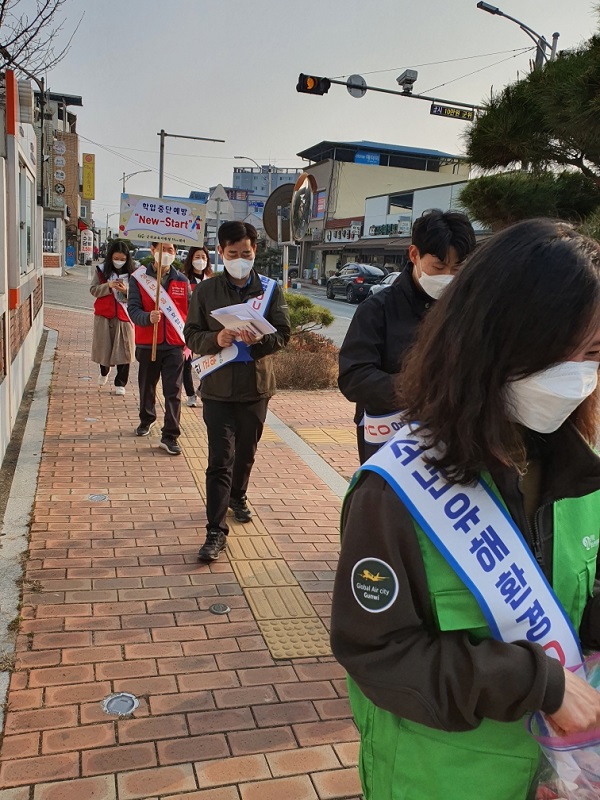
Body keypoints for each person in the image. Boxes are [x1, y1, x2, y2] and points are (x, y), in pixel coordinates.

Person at [330, 218, 600, 800]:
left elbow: (583, 597)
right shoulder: (393, 491)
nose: (581, 374)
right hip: (439, 776)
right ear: (498, 338)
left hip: (555, 774)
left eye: (597, 354)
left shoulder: (580, 468)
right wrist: (537, 683)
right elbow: (376, 651)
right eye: (567, 350)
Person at [184, 221, 290, 562]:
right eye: (233, 254)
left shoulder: (271, 290)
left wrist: (261, 339)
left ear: (255, 250)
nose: (240, 259)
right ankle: (215, 531)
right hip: (217, 389)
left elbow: (284, 335)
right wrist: (216, 339)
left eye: (246, 253)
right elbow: (191, 334)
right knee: (220, 460)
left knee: (246, 453)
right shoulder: (206, 291)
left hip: (256, 388)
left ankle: (238, 495)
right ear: (221, 253)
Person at [338, 210, 477, 464]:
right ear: (414, 255)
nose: (448, 276)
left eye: (457, 268)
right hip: (389, 440)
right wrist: (419, 388)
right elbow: (353, 377)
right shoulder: (378, 309)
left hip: (453, 438)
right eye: (438, 266)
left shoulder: (468, 311)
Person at [128, 241, 190, 456]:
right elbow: (132, 310)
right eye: (162, 249)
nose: (167, 253)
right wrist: (147, 317)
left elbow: (188, 313)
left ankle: (170, 435)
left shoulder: (182, 281)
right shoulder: (139, 279)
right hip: (147, 342)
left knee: (173, 391)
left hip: (174, 344)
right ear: (153, 251)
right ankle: (146, 419)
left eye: (171, 250)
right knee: (147, 386)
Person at [90, 240, 135, 395]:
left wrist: (125, 291)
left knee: (125, 350)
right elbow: (93, 290)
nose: (119, 262)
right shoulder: (101, 271)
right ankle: (104, 371)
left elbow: (137, 297)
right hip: (104, 315)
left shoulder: (133, 274)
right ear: (110, 257)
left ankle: (120, 383)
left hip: (124, 316)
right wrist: (108, 287)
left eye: (123, 259)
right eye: (116, 258)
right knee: (104, 349)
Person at [181, 245, 213, 407]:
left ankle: (202, 389)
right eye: (197, 257)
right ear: (190, 259)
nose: (200, 261)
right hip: (188, 325)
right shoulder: (184, 279)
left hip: (207, 328)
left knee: (210, 360)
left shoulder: (211, 280)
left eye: (203, 257)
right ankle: (190, 394)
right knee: (186, 362)